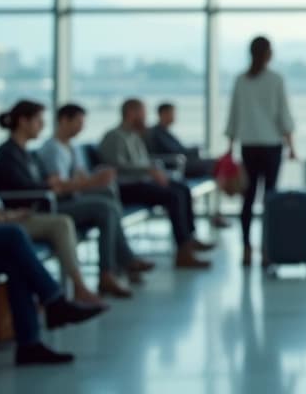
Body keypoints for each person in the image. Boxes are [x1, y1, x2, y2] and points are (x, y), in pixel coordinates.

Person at [0, 119, 106, 366]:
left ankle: (29, 344)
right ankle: (55, 301)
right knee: (13, 235)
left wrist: (1, 216)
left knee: (14, 262)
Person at [0, 100, 107, 306]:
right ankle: (76, 288)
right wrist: (47, 186)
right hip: (21, 213)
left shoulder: (25, 153)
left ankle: (70, 290)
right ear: (23, 122)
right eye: (38, 120)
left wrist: (47, 184)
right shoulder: (8, 152)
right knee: (63, 223)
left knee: (77, 215)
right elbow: (19, 188)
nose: (42, 125)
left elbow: (33, 183)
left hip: (33, 209)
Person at [38, 103, 156, 294]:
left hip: (75, 197)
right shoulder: (53, 149)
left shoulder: (71, 148)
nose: (81, 128)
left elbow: (79, 178)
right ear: (63, 121)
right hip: (60, 204)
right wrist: (92, 182)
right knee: (105, 208)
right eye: (78, 122)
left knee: (108, 197)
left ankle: (121, 264)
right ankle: (112, 269)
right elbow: (59, 187)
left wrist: (94, 181)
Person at [99, 99, 213, 269]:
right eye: (142, 113)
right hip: (126, 188)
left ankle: (188, 240)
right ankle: (183, 251)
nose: (146, 117)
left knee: (182, 189)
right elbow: (117, 168)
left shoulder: (134, 136)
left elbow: (145, 161)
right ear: (131, 113)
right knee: (173, 196)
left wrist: (156, 172)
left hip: (142, 183)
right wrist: (148, 171)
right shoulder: (114, 137)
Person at [224, 36, 297, 268]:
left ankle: (246, 248)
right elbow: (283, 116)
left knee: (248, 198)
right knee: (269, 199)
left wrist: (229, 146)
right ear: (268, 54)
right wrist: (292, 146)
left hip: (249, 146)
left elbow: (233, 115)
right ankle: (267, 249)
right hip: (271, 146)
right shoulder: (275, 80)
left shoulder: (240, 81)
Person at [145, 102, 229, 228]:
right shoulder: (157, 133)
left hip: (182, 164)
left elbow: (178, 150)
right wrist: (194, 151)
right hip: (176, 168)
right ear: (163, 114)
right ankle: (217, 212)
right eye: (171, 114)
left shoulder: (164, 132)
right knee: (218, 165)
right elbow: (175, 152)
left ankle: (217, 211)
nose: (174, 117)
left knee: (219, 165)